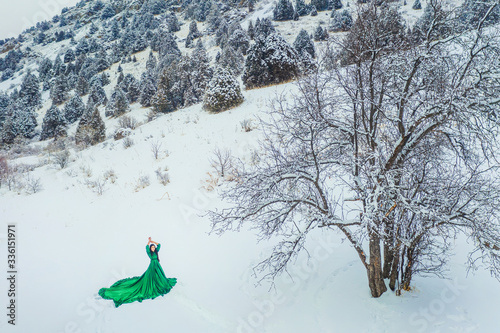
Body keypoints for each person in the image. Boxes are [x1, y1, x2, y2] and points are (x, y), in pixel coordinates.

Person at [98, 237, 177, 307]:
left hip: (157, 266)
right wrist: (149, 242)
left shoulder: (156, 251)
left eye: (153, 247)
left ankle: (159, 283)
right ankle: (153, 284)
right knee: (151, 277)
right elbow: (146, 248)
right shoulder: (150, 253)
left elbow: (159, 245)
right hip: (152, 266)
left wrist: (153, 241)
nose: (153, 248)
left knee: (159, 276)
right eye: (152, 248)